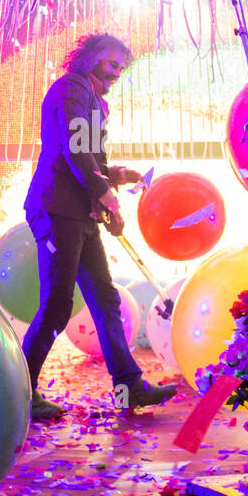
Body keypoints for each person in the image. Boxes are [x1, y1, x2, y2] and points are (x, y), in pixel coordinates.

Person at [22, 34, 176, 420]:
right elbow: (75, 153)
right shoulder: (71, 89)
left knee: (106, 301)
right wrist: (109, 198)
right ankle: (21, 393)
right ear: (89, 59)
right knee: (57, 308)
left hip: (79, 215)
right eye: (112, 64)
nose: (117, 73)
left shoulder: (88, 97)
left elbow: (85, 157)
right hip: (57, 211)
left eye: (122, 68)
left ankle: (129, 387)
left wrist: (116, 175)